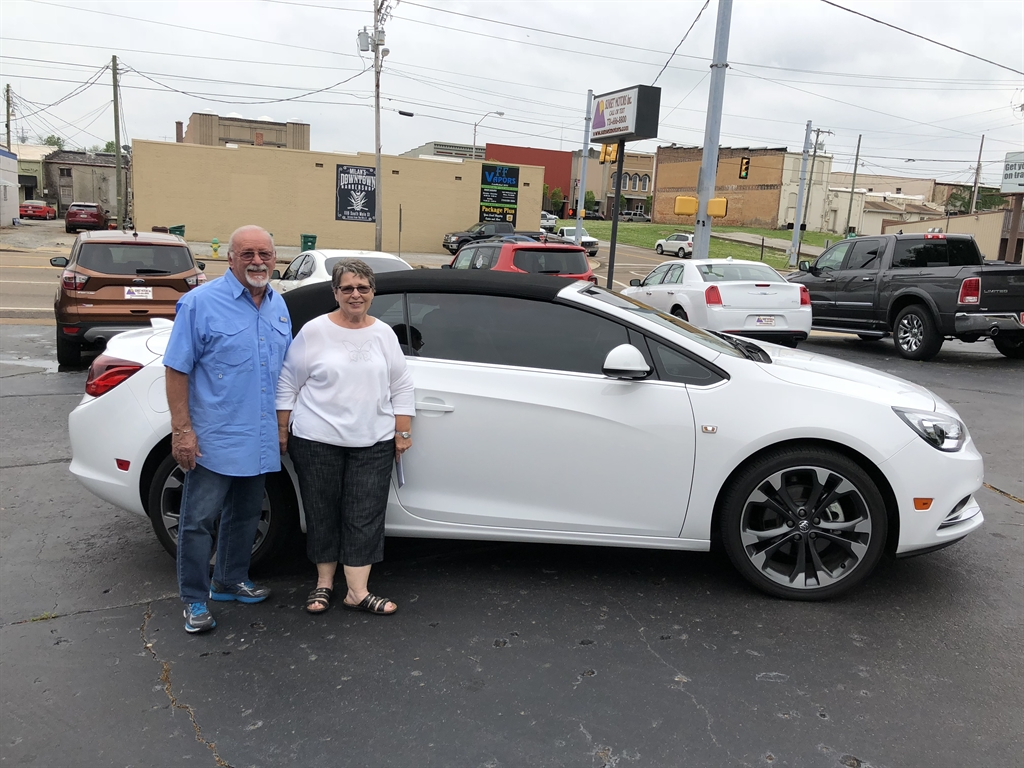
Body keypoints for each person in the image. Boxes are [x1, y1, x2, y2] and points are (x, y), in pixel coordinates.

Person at [163, 225, 291, 634]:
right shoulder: (200, 303)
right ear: (230, 259)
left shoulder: (278, 305)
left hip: (259, 435)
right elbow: (176, 369)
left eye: (264, 254)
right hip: (214, 437)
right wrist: (182, 430)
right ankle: (194, 599)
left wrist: (282, 426)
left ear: (275, 259)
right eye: (247, 253)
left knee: (246, 514)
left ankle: (230, 580)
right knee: (198, 520)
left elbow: (285, 372)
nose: (257, 261)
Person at [276, 259, 414, 616]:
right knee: (321, 511)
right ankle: (323, 583)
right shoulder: (315, 331)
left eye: (362, 288)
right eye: (347, 288)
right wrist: (281, 429)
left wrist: (402, 432)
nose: (355, 294)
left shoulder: (383, 334)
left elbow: (401, 385)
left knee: (364, 514)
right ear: (335, 292)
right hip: (316, 439)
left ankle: (357, 591)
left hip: (373, 441)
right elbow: (288, 382)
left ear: (372, 292)